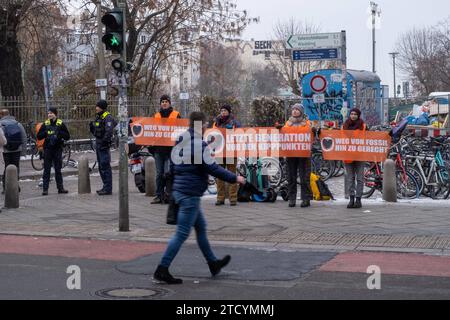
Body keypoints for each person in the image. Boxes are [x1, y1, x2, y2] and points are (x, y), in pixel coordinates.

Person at [153, 111, 246, 284]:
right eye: (204, 125)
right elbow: (213, 168)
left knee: (201, 228)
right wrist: (235, 178)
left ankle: (213, 264)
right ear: (199, 125)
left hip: (182, 190)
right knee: (181, 234)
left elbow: (172, 166)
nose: (205, 128)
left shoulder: (181, 139)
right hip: (190, 193)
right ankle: (162, 269)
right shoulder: (198, 144)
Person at [151, 95, 181, 204]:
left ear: (169, 103)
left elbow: (180, 131)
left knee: (168, 173)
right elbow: (152, 132)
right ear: (160, 103)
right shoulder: (156, 116)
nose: (164, 103)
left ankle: (168, 195)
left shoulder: (176, 115)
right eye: (162, 101)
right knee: (159, 174)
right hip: (159, 150)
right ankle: (159, 195)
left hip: (171, 150)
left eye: (166, 101)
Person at [284, 104, 313, 208]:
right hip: (291, 154)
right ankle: (292, 198)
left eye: (297, 109)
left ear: (301, 111)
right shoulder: (287, 124)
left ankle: (306, 198)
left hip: (303, 154)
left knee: (304, 177)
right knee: (291, 176)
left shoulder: (307, 123)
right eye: (293, 109)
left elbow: (311, 134)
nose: (295, 111)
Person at [212, 104, 241, 206]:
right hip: (220, 152)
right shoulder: (216, 122)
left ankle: (233, 198)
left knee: (231, 175)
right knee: (220, 175)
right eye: (222, 110)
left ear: (229, 112)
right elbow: (212, 135)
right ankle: (220, 198)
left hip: (230, 152)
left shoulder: (235, 122)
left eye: (225, 110)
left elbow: (240, 134)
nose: (223, 112)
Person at [37, 107, 70, 195]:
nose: (49, 115)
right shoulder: (45, 124)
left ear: (55, 114)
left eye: (51, 113)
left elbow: (67, 136)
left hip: (57, 149)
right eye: (48, 113)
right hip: (47, 149)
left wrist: (59, 134)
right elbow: (39, 136)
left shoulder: (60, 123)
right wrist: (45, 133)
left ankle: (60, 188)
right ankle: (45, 189)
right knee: (46, 170)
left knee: (58, 170)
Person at [89, 100, 116, 196]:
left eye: (98, 106)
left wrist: (105, 142)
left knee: (105, 166)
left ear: (102, 107)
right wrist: (92, 128)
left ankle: (108, 188)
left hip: (103, 145)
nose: (96, 108)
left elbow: (109, 132)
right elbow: (97, 132)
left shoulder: (107, 117)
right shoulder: (98, 117)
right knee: (101, 167)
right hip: (99, 144)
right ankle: (105, 186)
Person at [342, 108, 366, 209]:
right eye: (351, 114)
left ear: (358, 115)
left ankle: (358, 199)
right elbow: (338, 136)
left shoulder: (363, 126)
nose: (353, 116)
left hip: (360, 154)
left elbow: (371, 137)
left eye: (355, 114)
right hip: (348, 154)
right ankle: (351, 199)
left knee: (360, 178)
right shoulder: (344, 126)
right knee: (350, 178)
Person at [0, 109, 27, 193]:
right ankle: (15, 185)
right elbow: (24, 137)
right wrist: (23, 151)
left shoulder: (0, 124)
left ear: (1, 115)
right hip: (17, 150)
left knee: (6, 168)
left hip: (5, 150)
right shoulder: (18, 124)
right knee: (16, 168)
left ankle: (5, 187)